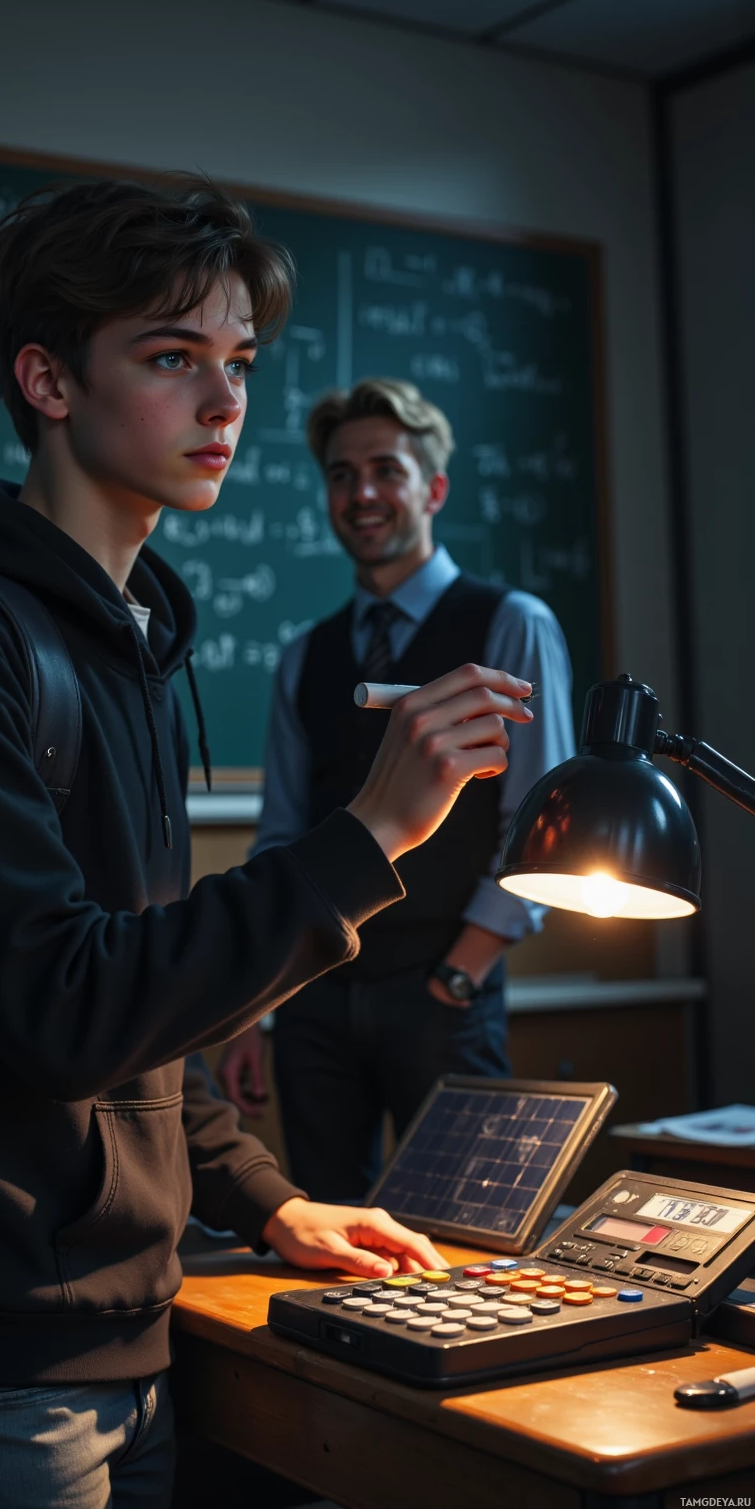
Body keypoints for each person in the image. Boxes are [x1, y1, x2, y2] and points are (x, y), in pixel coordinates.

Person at [0, 182, 534, 1509]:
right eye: (171, 359)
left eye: (238, 366)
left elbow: (135, 994)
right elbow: (66, 1009)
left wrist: (268, 1199)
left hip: (115, 1346)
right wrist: (372, 831)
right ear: (45, 377)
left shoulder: (130, 640)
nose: (225, 406)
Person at [218, 378, 574, 1205]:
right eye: (342, 475)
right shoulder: (304, 657)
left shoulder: (511, 622)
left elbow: (538, 827)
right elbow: (281, 837)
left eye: (386, 470)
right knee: (330, 1247)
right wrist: (252, 1008)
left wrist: (457, 978)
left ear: (433, 489)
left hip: (443, 994)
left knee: (466, 1235)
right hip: (313, 1005)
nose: (363, 492)